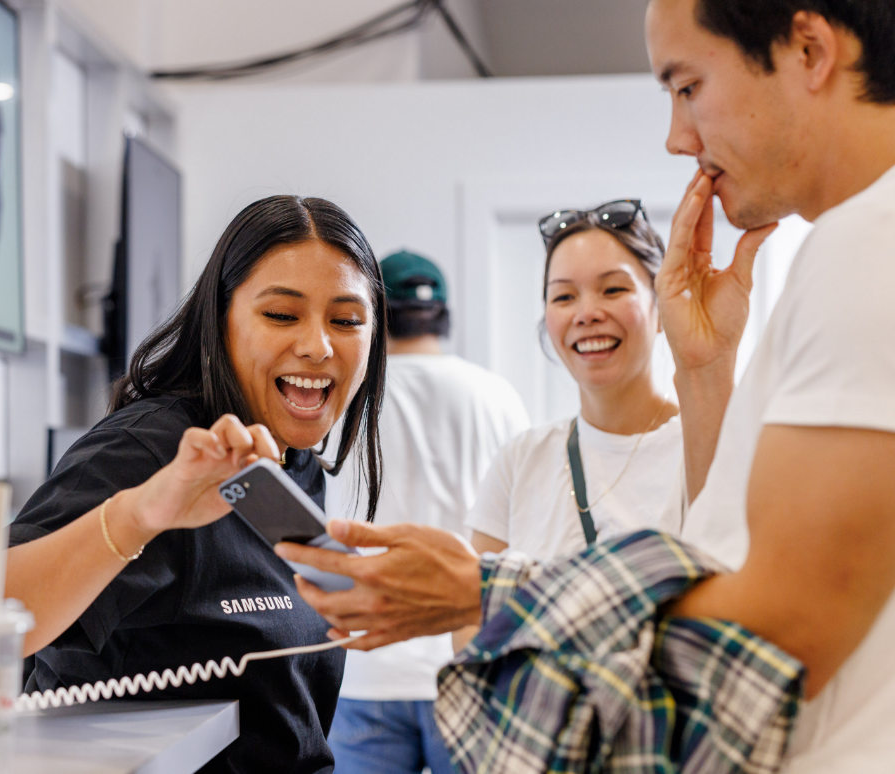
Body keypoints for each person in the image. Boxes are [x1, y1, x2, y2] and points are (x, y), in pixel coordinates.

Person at [276, 1, 895, 770]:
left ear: (807, 49)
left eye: (688, 85)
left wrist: (484, 591)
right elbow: (733, 560)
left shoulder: (869, 247)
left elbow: (782, 623)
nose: (677, 136)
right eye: (562, 295)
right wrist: (703, 368)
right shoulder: (855, 249)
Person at [0, 195, 389, 774]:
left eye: (346, 320)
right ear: (221, 321)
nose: (318, 345)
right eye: (282, 315)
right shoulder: (153, 448)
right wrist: (143, 512)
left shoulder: (294, 459)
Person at [326, 251, 529, 774]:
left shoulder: (346, 397)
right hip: (470, 661)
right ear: (444, 315)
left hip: (367, 664)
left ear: (376, 313)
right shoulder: (497, 395)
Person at [468, 201, 682, 564]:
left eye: (613, 290)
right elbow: (472, 613)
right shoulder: (520, 462)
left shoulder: (704, 449)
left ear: (661, 308)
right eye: (564, 296)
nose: (586, 315)